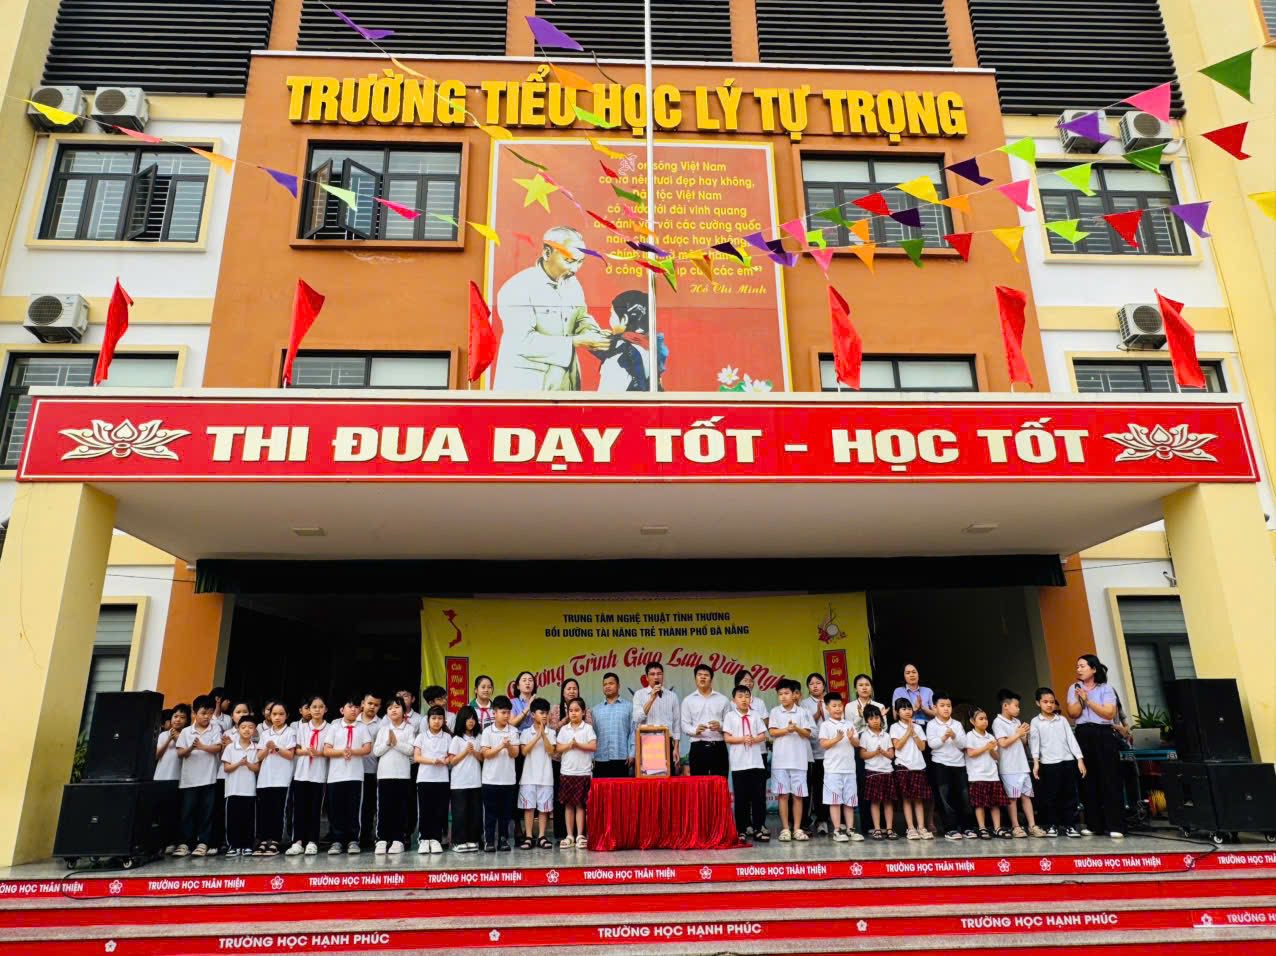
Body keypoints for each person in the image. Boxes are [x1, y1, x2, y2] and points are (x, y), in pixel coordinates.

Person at [493, 225, 610, 391]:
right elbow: (523, 341)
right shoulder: (518, 287)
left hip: (565, 383)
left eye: (580, 262)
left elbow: (580, 317)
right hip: (527, 387)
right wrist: (576, 341)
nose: (575, 269)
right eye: (569, 261)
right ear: (547, 253)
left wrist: (593, 333)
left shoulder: (572, 284)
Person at [1067, 655, 1125, 839]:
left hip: (1103, 733)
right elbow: (1073, 713)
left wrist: (1089, 700)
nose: (1078, 669)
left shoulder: (1106, 688)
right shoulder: (1074, 688)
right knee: (1087, 779)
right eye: (1077, 666)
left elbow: (1109, 713)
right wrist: (1080, 700)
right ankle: (1094, 824)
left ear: (1093, 669)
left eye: (1082, 666)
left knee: (1109, 778)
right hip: (1083, 733)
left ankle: (1115, 825)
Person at [1030, 686, 1086, 839]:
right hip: (1048, 763)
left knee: (1069, 795)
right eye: (1045, 702)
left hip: (1067, 761)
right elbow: (1035, 743)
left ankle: (1070, 825)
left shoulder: (1062, 720)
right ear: (1038, 703)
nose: (1049, 705)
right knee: (1051, 796)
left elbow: (1071, 740)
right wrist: (1036, 762)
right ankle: (1052, 825)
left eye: (1052, 702)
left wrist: (1079, 759)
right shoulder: (1036, 722)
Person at [322, 696, 374, 854]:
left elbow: (367, 748)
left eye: (356, 707)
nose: (353, 710)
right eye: (350, 706)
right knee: (336, 808)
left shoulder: (362, 727)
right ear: (341, 710)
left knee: (354, 808)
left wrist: (353, 751)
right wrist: (341, 752)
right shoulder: (334, 727)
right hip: (336, 776)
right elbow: (326, 750)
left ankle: (353, 840)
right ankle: (337, 840)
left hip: (355, 775)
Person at [173, 694, 224, 857]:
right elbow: (180, 753)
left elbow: (217, 748)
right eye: (203, 713)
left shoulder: (215, 729)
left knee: (206, 812)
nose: (207, 716)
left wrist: (202, 746)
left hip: (209, 778)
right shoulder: (186, 732)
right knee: (187, 812)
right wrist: (191, 748)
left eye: (209, 713)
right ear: (195, 713)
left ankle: (203, 842)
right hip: (189, 779)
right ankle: (185, 843)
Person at [993, 688, 1044, 839]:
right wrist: (1018, 734)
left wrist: (1023, 734)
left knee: (1026, 796)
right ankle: (1016, 826)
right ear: (1005, 706)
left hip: (1022, 765)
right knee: (1013, 798)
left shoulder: (1017, 721)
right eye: (1016, 706)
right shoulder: (997, 722)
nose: (1018, 709)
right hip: (1009, 767)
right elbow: (1003, 743)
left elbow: (1023, 742)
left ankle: (1032, 825)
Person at [722, 683, 769, 844]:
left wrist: (754, 739)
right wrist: (742, 739)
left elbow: (763, 735)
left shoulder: (755, 715)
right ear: (734, 700)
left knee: (758, 798)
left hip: (756, 762)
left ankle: (758, 829)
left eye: (747, 696)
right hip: (739, 764)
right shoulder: (730, 716)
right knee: (741, 799)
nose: (744, 699)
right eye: (740, 696)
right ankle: (741, 830)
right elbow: (727, 738)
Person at [768, 678, 813, 842]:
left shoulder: (802, 712)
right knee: (783, 795)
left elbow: (808, 733)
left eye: (786, 693)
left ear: (794, 695)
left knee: (798, 796)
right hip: (780, 761)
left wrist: (796, 728)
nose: (783, 696)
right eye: (780, 694)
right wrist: (787, 729)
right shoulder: (775, 712)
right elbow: (772, 732)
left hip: (799, 761)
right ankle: (785, 828)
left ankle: (797, 828)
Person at [927, 692, 975, 841]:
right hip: (940, 764)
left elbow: (963, 744)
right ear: (935, 708)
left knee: (963, 797)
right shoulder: (931, 724)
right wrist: (943, 737)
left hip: (959, 763)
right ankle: (950, 828)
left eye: (948, 705)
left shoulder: (957, 724)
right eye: (942, 705)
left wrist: (954, 736)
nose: (946, 708)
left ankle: (967, 827)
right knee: (944, 798)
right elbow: (932, 744)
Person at [818, 692, 864, 843]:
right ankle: (837, 830)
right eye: (834, 706)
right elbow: (823, 744)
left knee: (850, 801)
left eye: (840, 705)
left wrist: (851, 738)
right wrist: (837, 739)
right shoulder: (825, 725)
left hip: (849, 769)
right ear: (827, 708)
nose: (838, 708)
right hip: (833, 770)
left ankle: (850, 829)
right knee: (835, 801)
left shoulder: (849, 724)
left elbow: (857, 744)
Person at [372, 695, 415, 855]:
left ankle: (398, 839)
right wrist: (388, 743)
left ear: (403, 710)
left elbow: (411, 750)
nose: (393, 710)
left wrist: (396, 743)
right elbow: (376, 751)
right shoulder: (383, 730)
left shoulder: (409, 729)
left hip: (402, 775)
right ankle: (382, 839)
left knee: (400, 808)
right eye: (390, 708)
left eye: (397, 707)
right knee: (384, 808)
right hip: (384, 775)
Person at [286, 694, 328, 856]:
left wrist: (318, 752)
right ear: (308, 709)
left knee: (315, 809)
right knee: (299, 808)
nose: (317, 710)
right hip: (301, 773)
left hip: (318, 773)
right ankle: (298, 841)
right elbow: (295, 750)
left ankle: (312, 841)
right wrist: (307, 751)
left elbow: (328, 750)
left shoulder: (329, 728)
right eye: (314, 707)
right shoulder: (302, 728)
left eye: (320, 707)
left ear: (325, 709)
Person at [551, 678, 593, 838]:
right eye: (568, 688)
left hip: (581, 763)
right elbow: (552, 729)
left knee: (581, 802)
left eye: (574, 688)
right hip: (560, 761)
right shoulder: (556, 709)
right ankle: (564, 833)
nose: (572, 691)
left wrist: (577, 715)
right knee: (563, 799)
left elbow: (589, 728)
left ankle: (580, 833)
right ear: (563, 692)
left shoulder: (586, 711)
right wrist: (567, 719)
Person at [479, 695, 520, 852]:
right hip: (490, 780)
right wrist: (501, 746)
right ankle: (489, 841)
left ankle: (503, 840)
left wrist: (508, 747)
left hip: (508, 780)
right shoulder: (487, 731)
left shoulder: (513, 731)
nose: (506, 716)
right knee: (490, 813)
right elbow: (485, 754)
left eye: (508, 712)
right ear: (494, 713)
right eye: (503, 712)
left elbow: (515, 754)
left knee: (505, 814)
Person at [254, 702, 296, 856]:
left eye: (281, 714)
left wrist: (276, 748)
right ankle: (264, 839)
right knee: (265, 810)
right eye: (274, 714)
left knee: (279, 810)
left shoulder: (290, 732)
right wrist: (267, 747)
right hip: (265, 778)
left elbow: (290, 755)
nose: (277, 717)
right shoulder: (265, 734)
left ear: (287, 716)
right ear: (269, 716)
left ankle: (276, 840)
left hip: (282, 778)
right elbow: (258, 756)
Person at [556, 698, 597, 849]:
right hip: (567, 772)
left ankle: (580, 835)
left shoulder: (587, 728)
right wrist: (569, 745)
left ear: (583, 712)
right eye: (571, 710)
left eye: (577, 710)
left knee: (580, 805)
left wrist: (578, 744)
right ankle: (569, 835)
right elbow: (558, 748)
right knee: (568, 805)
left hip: (583, 772)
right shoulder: (564, 729)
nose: (573, 713)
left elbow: (593, 746)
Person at [592, 290, 652, 392]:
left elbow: (606, 399)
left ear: (624, 319)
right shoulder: (651, 350)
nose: (610, 320)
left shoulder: (617, 359)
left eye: (612, 314)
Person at [890, 698, 933, 840]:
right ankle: (910, 828)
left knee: (919, 799)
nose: (907, 711)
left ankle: (921, 827)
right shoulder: (895, 727)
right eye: (903, 709)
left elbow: (922, 747)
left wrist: (913, 732)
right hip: (903, 766)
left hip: (918, 765)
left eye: (909, 708)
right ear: (897, 712)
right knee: (907, 799)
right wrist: (908, 732)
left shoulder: (918, 727)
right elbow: (897, 746)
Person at [413, 705, 452, 855]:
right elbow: (417, 757)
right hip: (424, 778)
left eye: (440, 718)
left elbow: (451, 756)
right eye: (433, 718)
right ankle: (424, 839)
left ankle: (436, 839)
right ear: (428, 720)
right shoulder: (421, 737)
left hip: (442, 779)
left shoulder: (447, 737)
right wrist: (433, 761)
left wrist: (445, 760)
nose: (436, 721)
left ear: (444, 720)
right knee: (425, 810)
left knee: (439, 810)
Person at [519, 698, 555, 850]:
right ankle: (528, 836)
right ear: (533, 714)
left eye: (546, 713)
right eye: (541, 713)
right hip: (528, 776)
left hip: (546, 777)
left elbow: (551, 751)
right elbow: (524, 751)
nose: (545, 715)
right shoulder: (526, 732)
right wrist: (537, 736)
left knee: (544, 809)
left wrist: (544, 735)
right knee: (528, 808)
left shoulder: (551, 732)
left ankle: (541, 836)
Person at [965, 707, 1006, 839]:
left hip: (992, 774)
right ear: (972, 721)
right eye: (981, 719)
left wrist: (991, 749)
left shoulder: (991, 736)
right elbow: (971, 753)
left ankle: (997, 828)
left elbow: (997, 756)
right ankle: (982, 828)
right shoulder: (970, 735)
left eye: (986, 718)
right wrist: (985, 747)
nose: (984, 721)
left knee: (995, 804)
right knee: (980, 804)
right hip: (977, 775)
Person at [681, 664, 729, 778]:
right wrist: (695, 730)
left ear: (711, 679)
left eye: (706, 675)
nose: (703, 677)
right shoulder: (688, 700)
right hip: (698, 747)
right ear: (695, 678)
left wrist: (720, 726)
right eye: (700, 675)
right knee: (698, 783)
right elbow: (684, 725)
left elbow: (731, 723)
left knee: (720, 782)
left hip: (718, 746)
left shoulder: (723, 699)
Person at [222, 715, 260, 857]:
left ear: (254, 730)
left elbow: (257, 769)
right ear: (238, 729)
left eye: (250, 727)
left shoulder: (256, 748)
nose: (246, 730)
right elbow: (226, 768)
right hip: (233, 790)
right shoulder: (230, 747)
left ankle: (247, 845)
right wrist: (239, 763)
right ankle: (233, 845)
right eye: (243, 727)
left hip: (249, 790)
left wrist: (247, 764)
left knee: (248, 819)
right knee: (233, 819)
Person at [632, 662, 680, 773]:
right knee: (647, 780)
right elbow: (637, 718)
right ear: (647, 677)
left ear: (663, 675)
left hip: (666, 742)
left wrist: (676, 748)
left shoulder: (672, 696)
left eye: (659, 674)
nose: (656, 677)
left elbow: (676, 725)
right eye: (652, 674)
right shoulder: (639, 695)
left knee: (667, 778)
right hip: (647, 742)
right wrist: (652, 698)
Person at [448, 706, 484, 853]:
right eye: (468, 718)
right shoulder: (456, 739)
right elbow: (452, 761)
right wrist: (465, 752)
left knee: (474, 812)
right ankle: (458, 841)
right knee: (460, 812)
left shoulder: (479, 737)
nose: (471, 721)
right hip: (459, 782)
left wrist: (474, 751)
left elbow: (482, 758)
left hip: (475, 781)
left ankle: (472, 839)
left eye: (473, 718)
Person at [858, 704, 896, 840]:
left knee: (888, 801)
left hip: (887, 771)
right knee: (875, 802)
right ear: (866, 721)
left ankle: (889, 828)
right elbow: (862, 754)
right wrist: (875, 752)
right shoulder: (864, 736)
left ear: (881, 718)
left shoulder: (886, 735)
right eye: (871, 718)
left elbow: (892, 755)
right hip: (873, 772)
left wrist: (883, 752)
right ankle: (877, 828)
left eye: (877, 717)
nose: (875, 720)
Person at [155, 703, 189, 854]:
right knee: (162, 813)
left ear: (187, 720)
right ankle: (162, 842)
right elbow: (156, 755)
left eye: (182, 717)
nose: (178, 720)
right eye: (175, 716)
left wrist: (177, 740)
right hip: (161, 777)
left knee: (176, 812)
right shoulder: (163, 735)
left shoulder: (187, 735)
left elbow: (185, 754)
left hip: (178, 778)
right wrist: (169, 738)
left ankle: (174, 842)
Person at [801, 673, 831, 835]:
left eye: (818, 683)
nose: (815, 686)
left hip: (830, 753)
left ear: (824, 685)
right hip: (812, 752)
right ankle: (808, 820)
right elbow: (804, 726)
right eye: (811, 683)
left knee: (825, 787)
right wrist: (817, 714)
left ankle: (825, 819)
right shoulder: (804, 704)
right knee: (811, 788)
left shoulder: (831, 701)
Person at [592, 672, 634, 779]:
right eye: (605, 684)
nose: (607, 686)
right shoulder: (596, 710)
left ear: (618, 686)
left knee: (620, 789)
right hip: (600, 758)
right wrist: (592, 756)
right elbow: (593, 735)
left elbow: (633, 732)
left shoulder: (629, 707)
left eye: (611, 683)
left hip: (622, 757)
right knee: (601, 789)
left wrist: (632, 753)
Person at [357, 692, 382, 849]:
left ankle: (365, 836)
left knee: (368, 805)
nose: (372, 707)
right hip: (352, 770)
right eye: (370, 703)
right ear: (362, 703)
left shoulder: (382, 724)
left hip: (371, 769)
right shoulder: (353, 720)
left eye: (376, 705)